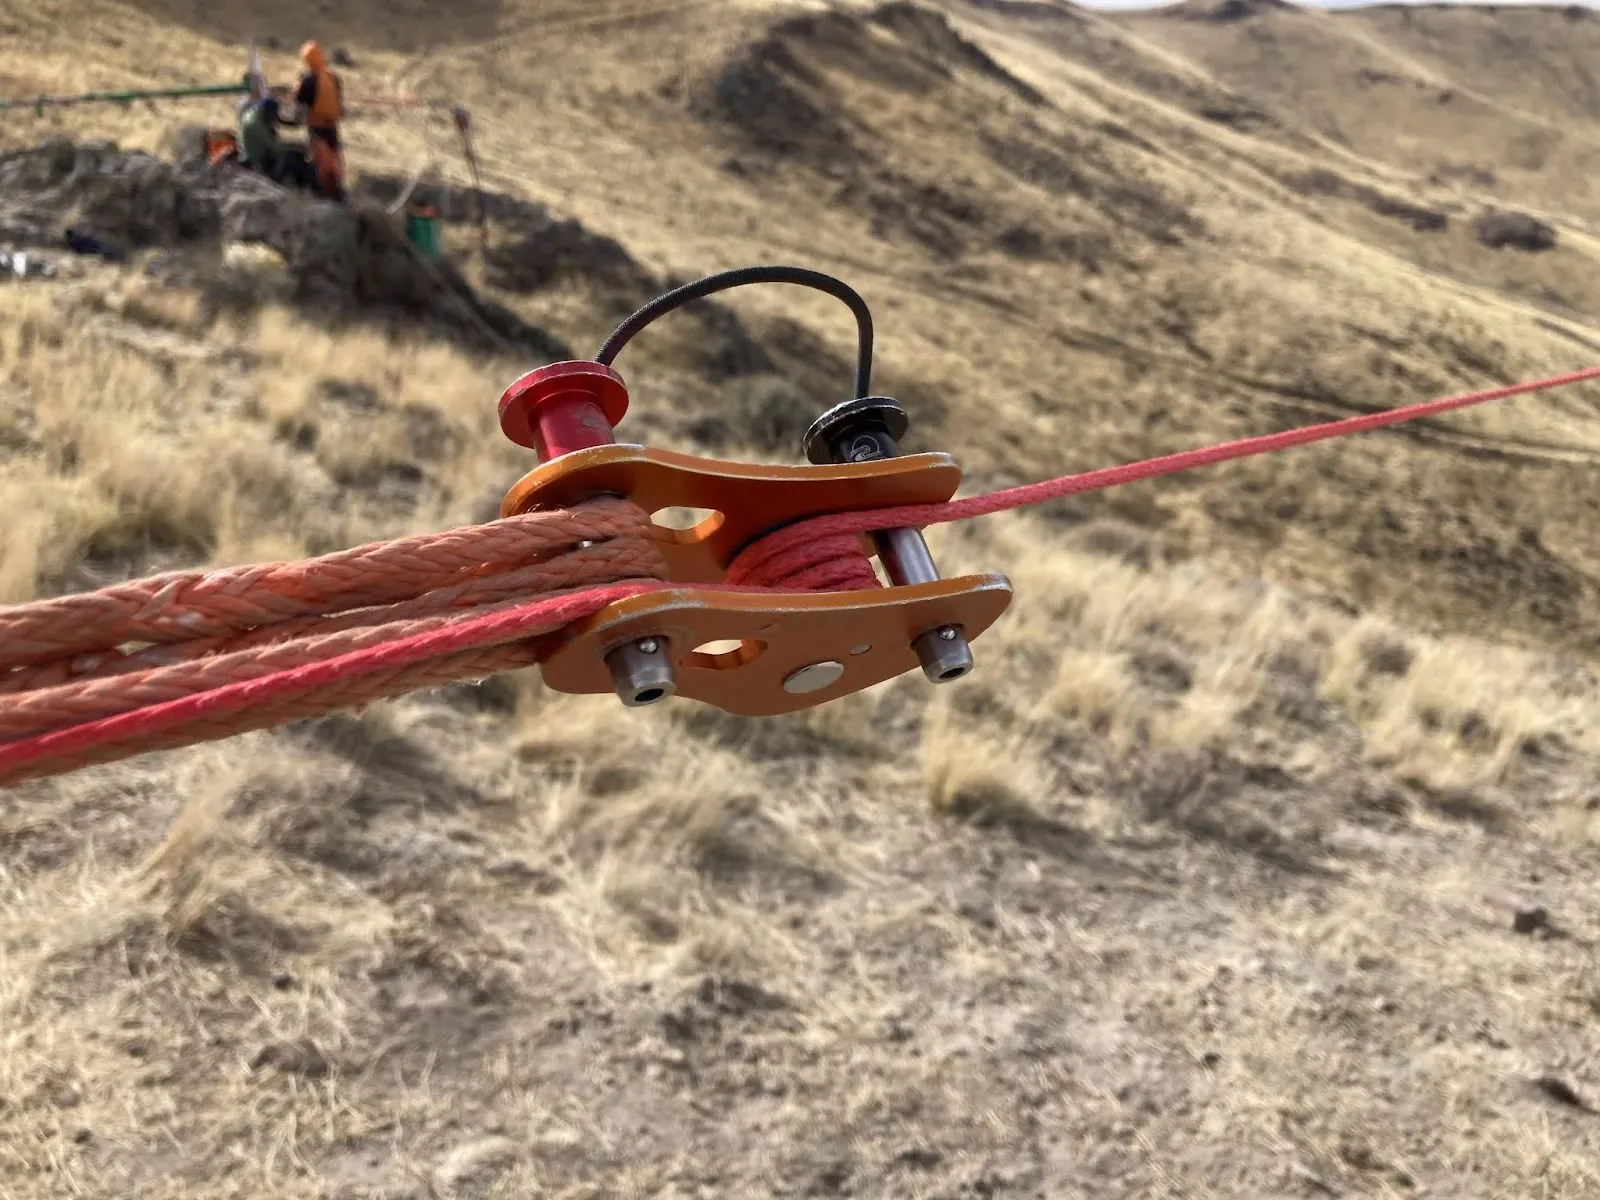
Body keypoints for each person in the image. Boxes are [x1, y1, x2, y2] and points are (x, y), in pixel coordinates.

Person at [295, 40, 345, 201]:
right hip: (332, 125)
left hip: (316, 125)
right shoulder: (333, 77)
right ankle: (339, 188)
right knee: (335, 157)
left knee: (322, 160)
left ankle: (325, 193)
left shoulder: (308, 79)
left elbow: (299, 101)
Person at [238, 90, 317, 191]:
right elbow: (275, 148)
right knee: (292, 157)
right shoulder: (255, 125)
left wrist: (297, 124)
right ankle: (307, 187)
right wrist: (295, 147)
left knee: (294, 155)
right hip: (255, 160)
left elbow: (277, 121)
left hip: (258, 153)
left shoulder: (256, 113)